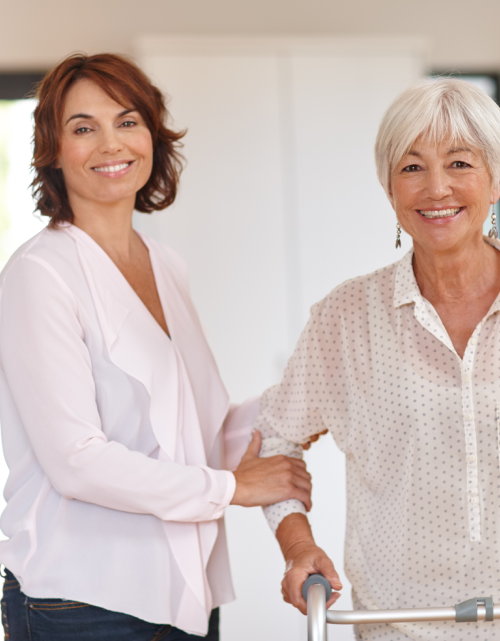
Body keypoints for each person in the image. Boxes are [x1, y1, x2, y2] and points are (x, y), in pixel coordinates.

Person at [255, 78, 500, 640]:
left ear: (499, 175)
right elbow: (275, 439)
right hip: (401, 627)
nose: (436, 188)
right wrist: (299, 545)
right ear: (389, 187)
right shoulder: (346, 317)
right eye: (412, 168)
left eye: (460, 163)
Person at [0, 53, 312, 641]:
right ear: (52, 150)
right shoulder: (39, 274)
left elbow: (199, 428)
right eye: (82, 127)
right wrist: (233, 488)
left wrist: (314, 394)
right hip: (83, 602)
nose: (110, 144)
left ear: (152, 135)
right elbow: (78, 462)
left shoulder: (164, 265)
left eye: (127, 121)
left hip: (182, 593)